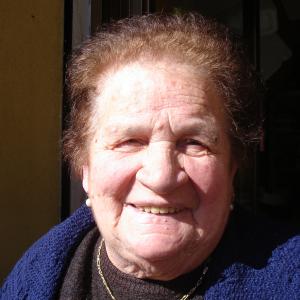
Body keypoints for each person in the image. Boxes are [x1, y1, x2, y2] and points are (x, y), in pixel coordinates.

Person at [1, 13, 299, 300]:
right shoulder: (33, 276)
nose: (162, 177)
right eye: (130, 141)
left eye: (194, 142)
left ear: (232, 167)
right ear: (85, 166)